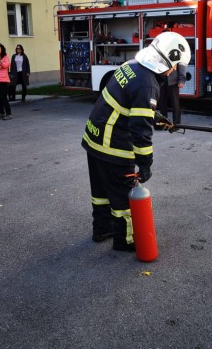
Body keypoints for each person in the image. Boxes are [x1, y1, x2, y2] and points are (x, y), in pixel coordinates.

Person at [82, 32, 191, 252]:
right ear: (167, 60)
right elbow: (139, 130)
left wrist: (157, 119)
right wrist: (145, 163)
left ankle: (102, 228)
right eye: (175, 65)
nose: (173, 71)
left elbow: (132, 107)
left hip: (93, 138)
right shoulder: (148, 84)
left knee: (101, 192)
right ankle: (126, 240)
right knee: (124, 195)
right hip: (112, 145)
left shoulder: (133, 65)